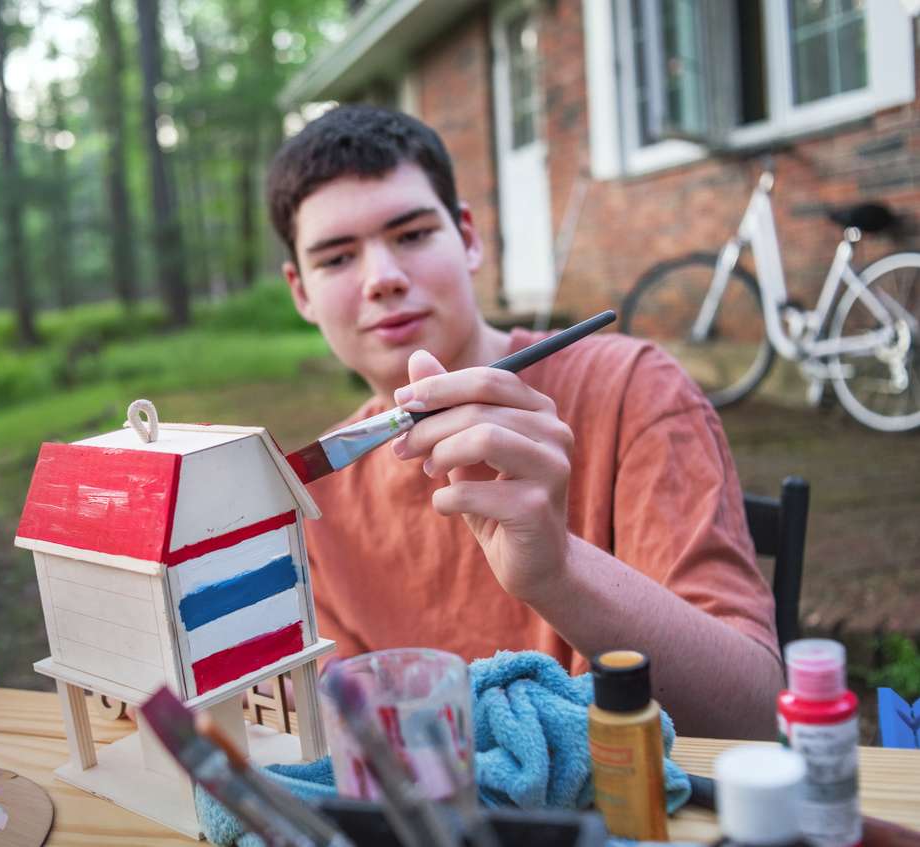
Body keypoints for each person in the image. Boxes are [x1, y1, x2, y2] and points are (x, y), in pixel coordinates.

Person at [266, 104, 782, 739]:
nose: (384, 279)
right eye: (337, 258)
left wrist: (558, 571)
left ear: (470, 237)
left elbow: (756, 713)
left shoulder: (631, 390)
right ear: (300, 291)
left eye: (412, 235)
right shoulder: (313, 494)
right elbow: (336, 740)